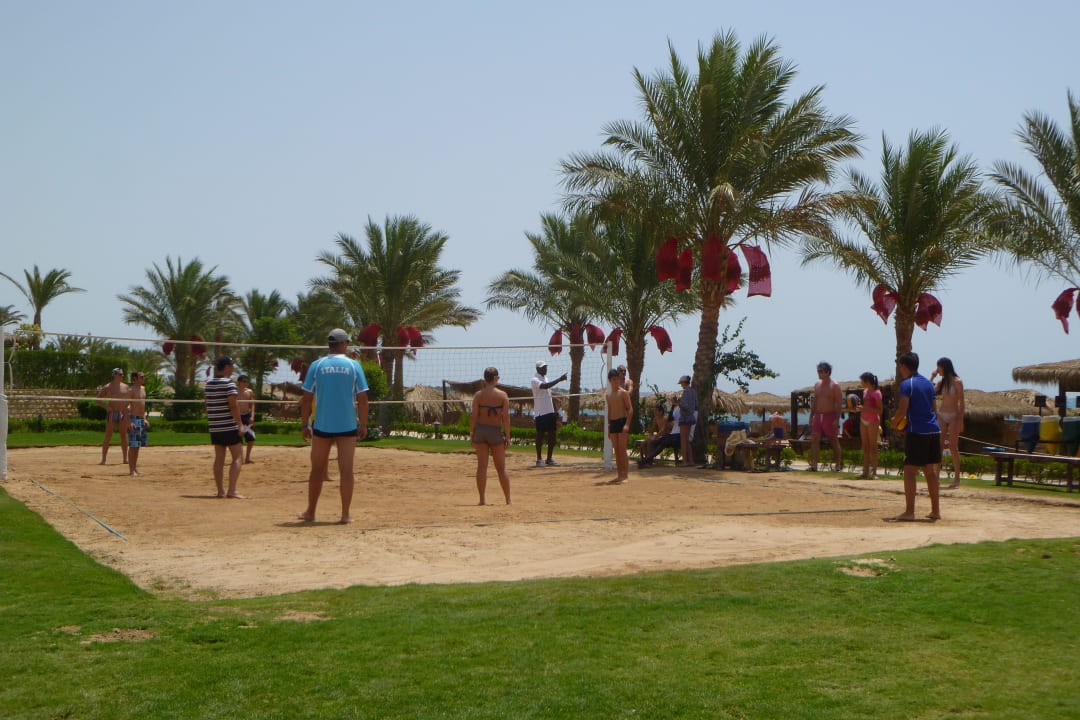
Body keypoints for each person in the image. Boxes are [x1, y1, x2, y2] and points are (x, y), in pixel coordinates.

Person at [298, 328, 369, 524]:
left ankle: (311, 512)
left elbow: (306, 399)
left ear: (330, 344)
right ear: (344, 343)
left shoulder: (317, 365)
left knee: (317, 470)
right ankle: (345, 514)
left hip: (322, 425)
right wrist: (364, 424)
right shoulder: (353, 365)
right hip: (347, 424)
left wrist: (304, 424)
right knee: (346, 470)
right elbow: (363, 399)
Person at [888, 352, 942, 522]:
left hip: (918, 431)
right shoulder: (928, 384)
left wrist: (894, 423)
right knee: (930, 471)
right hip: (934, 430)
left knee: (910, 471)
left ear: (903, 366)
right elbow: (934, 410)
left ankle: (909, 512)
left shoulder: (907, 384)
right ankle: (935, 511)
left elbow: (902, 410)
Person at [469, 367, 511, 505]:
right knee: (501, 468)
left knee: (482, 466)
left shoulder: (478, 395)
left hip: (481, 430)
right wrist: (508, 436)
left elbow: (474, 416)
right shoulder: (502, 395)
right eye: (498, 377)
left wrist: (471, 433)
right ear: (495, 378)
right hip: (495, 431)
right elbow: (506, 418)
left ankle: (482, 499)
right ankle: (508, 500)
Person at [205, 356, 245, 499]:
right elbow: (233, 406)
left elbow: (207, 404)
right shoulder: (229, 383)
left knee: (219, 459)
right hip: (229, 426)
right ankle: (232, 490)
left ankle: (220, 491)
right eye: (232, 365)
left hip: (215, 426)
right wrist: (240, 425)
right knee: (238, 456)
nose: (233, 368)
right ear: (227, 367)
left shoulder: (209, 383)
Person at [932, 357, 965, 489]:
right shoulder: (942, 382)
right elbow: (929, 391)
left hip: (953, 415)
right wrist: (932, 377)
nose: (937, 369)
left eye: (938, 367)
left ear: (944, 367)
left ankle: (957, 478)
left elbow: (962, 402)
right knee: (938, 447)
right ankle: (936, 477)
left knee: (952, 446)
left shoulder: (958, 382)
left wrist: (961, 420)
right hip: (942, 414)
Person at [531, 360, 568, 467]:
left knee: (552, 435)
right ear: (538, 369)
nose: (546, 369)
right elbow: (545, 386)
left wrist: (555, 410)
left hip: (549, 411)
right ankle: (539, 459)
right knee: (540, 435)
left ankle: (549, 459)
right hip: (540, 412)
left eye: (546, 367)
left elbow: (549, 395)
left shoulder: (545, 378)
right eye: (543, 367)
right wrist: (559, 379)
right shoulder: (534, 379)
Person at [808, 362, 843, 472]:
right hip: (818, 415)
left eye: (821, 371)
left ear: (827, 372)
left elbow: (839, 404)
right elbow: (815, 401)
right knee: (815, 439)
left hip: (830, 415)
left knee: (833, 440)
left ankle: (838, 465)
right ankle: (814, 465)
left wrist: (837, 419)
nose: (818, 373)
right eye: (818, 371)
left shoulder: (835, 386)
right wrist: (811, 416)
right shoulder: (817, 385)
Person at [605, 368, 633, 484]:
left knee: (622, 449)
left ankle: (625, 475)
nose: (616, 381)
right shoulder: (608, 396)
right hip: (613, 423)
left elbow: (630, 409)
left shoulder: (623, 393)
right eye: (614, 379)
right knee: (616, 450)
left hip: (622, 421)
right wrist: (608, 427)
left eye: (617, 379)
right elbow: (610, 412)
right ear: (610, 380)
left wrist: (627, 425)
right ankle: (619, 474)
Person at [97, 368, 129, 465]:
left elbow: (130, 399)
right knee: (108, 435)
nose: (122, 376)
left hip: (122, 413)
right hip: (112, 413)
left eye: (122, 374)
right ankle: (103, 459)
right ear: (114, 375)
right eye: (120, 374)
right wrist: (106, 407)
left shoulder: (126, 387)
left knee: (123, 435)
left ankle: (125, 459)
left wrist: (128, 407)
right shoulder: (107, 387)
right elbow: (98, 400)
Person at [856, 372, 883, 479]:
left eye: (862, 381)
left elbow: (880, 410)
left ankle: (874, 472)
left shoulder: (877, 393)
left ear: (867, 381)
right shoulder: (865, 392)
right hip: (863, 419)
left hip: (873, 421)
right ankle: (865, 471)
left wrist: (865, 409)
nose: (861, 383)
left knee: (873, 447)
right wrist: (860, 409)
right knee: (865, 447)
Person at [125, 371, 150, 476]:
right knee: (133, 446)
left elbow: (142, 406)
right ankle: (131, 469)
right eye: (141, 377)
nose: (143, 378)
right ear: (135, 379)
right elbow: (125, 407)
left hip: (141, 419)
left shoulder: (143, 389)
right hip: (134, 419)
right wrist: (129, 421)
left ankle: (135, 468)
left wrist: (145, 419)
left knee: (138, 446)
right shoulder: (131, 390)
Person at [676, 375, 698, 467]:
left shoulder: (686, 392)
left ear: (684, 382)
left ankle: (685, 461)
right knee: (687, 440)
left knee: (683, 440)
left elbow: (685, 406)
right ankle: (691, 460)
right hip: (691, 416)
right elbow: (695, 405)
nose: (681, 385)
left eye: (681, 383)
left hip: (685, 417)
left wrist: (678, 403)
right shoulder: (693, 391)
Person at [236, 374, 256, 464]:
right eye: (244, 381)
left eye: (246, 382)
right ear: (239, 382)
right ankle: (238, 458)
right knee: (237, 439)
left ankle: (247, 458)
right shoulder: (234, 391)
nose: (245, 383)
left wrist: (252, 416)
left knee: (251, 438)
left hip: (246, 416)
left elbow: (252, 404)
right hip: (237, 417)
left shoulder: (249, 391)